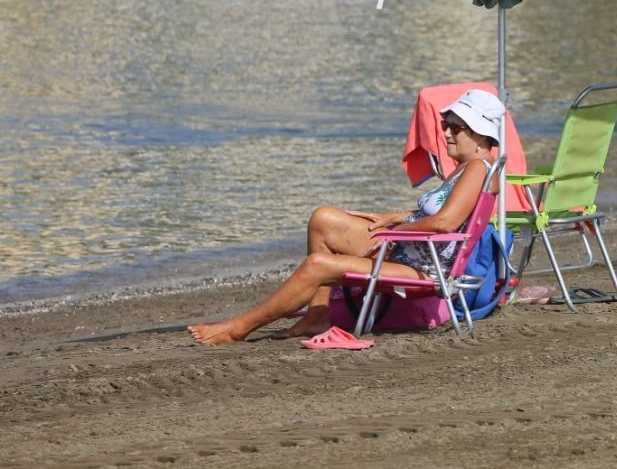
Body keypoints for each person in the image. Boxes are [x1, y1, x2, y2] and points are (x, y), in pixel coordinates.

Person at [188, 90, 505, 344]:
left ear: (480, 133)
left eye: (455, 127)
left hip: (423, 268)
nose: (446, 133)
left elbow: (445, 223)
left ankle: (239, 327)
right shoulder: (474, 166)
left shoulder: (477, 168)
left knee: (318, 266)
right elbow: (445, 214)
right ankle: (316, 315)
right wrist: (397, 215)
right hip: (413, 251)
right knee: (323, 219)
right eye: (444, 125)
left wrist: (395, 233)